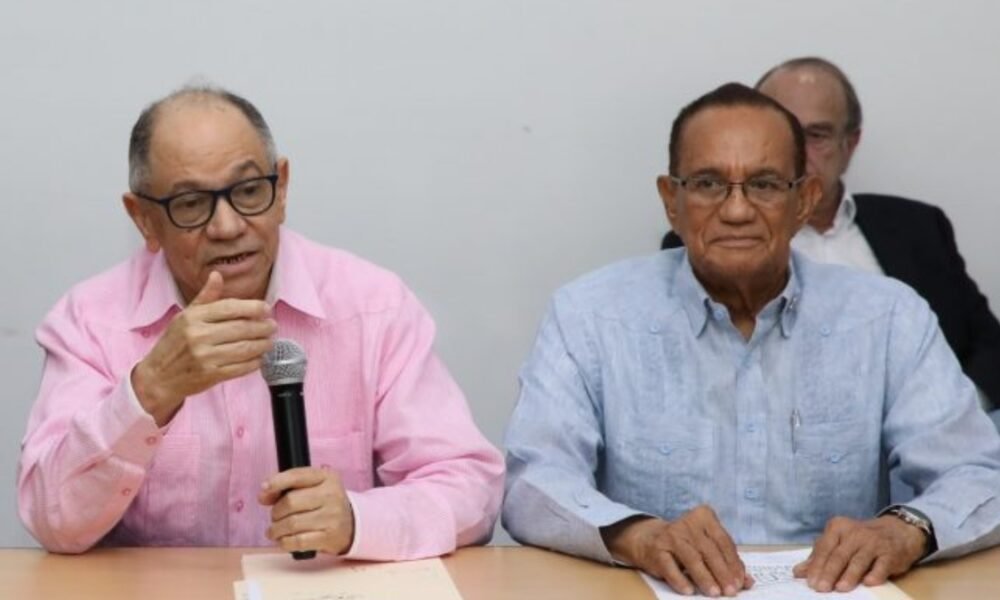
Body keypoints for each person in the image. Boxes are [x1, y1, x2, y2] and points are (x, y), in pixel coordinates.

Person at [504, 83, 1000, 597]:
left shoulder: (888, 316)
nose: (737, 211)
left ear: (804, 200)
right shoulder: (589, 315)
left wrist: (906, 530)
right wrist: (637, 536)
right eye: (708, 184)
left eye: (764, 185)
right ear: (671, 200)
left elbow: (978, 473)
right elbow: (533, 482)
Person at [18, 86, 504, 559]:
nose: (228, 226)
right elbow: (52, 519)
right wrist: (150, 390)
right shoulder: (89, 322)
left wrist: (359, 520)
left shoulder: (373, 307)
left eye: (249, 191)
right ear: (143, 218)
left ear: (282, 188)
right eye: (191, 204)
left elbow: (471, 489)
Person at [662, 57, 1000, 428]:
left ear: (849, 144)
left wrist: (950, 409)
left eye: (817, 135)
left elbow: (987, 343)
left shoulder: (917, 226)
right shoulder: (721, 236)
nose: (797, 150)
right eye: (784, 129)